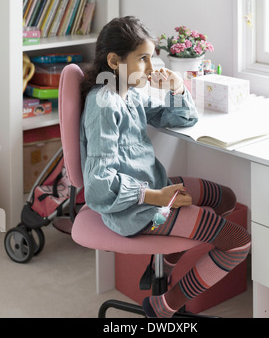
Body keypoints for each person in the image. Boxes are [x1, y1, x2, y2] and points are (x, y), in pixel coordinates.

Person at [80, 16, 251, 318]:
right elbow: (98, 184)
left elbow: (181, 119)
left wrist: (176, 88)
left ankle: (163, 263)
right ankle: (164, 304)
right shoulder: (104, 103)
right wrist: (158, 198)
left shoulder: (127, 92)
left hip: (153, 193)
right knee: (238, 244)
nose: (151, 66)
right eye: (142, 58)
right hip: (139, 212)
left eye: (152, 57)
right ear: (114, 60)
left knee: (225, 198)